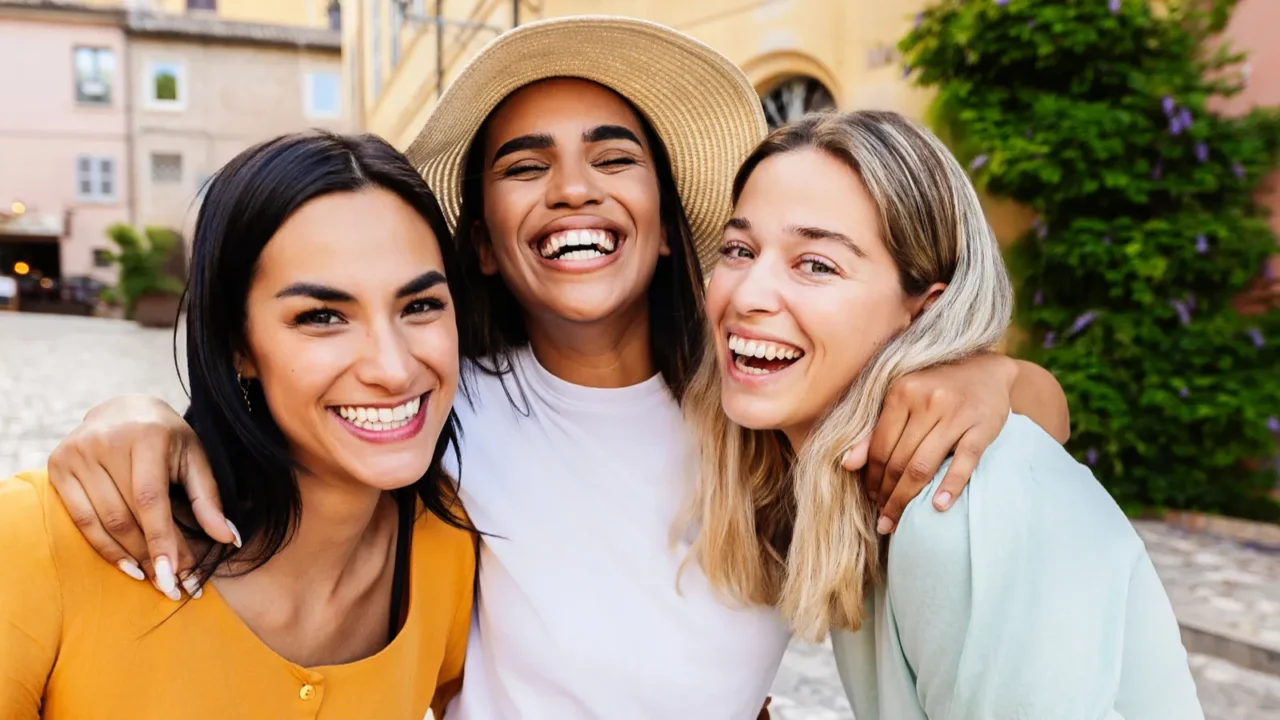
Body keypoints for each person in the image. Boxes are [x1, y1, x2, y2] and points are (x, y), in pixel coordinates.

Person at [40, 17, 1071, 718]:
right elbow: (274, 421)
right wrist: (133, 409)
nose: (572, 189)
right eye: (523, 165)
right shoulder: (441, 408)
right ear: (480, 242)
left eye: (613, 156)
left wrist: (994, 380)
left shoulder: (764, 404)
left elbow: (1034, 420)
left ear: (669, 226)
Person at [685, 110, 1204, 718]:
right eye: (738, 250)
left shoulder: (951, 508)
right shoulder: (843, 479)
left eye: (817, 264)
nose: (746, 294)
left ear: (923, 309)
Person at [0, 132, 477, 719]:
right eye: (322, 316)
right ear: (236, 345)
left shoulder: (446, 548)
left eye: (420, 305)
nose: (394, 367)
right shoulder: (43, 542)